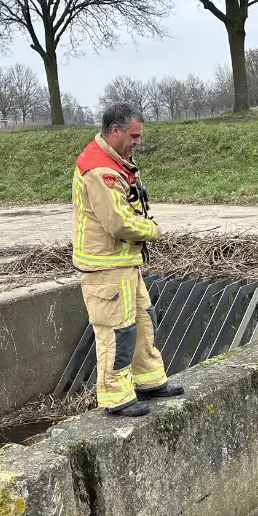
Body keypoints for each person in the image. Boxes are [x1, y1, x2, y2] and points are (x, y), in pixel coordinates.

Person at [71, 103, 184, 417]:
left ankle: (148, 380)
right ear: (116, 131)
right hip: (105, 267)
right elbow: (118, 221)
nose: (138, 142)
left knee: (142, 321)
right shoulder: (100, 170)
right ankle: (115, 396)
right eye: (134, 136)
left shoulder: (114, 161)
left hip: (123, 262)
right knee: (115, 331)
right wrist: (152, 230)